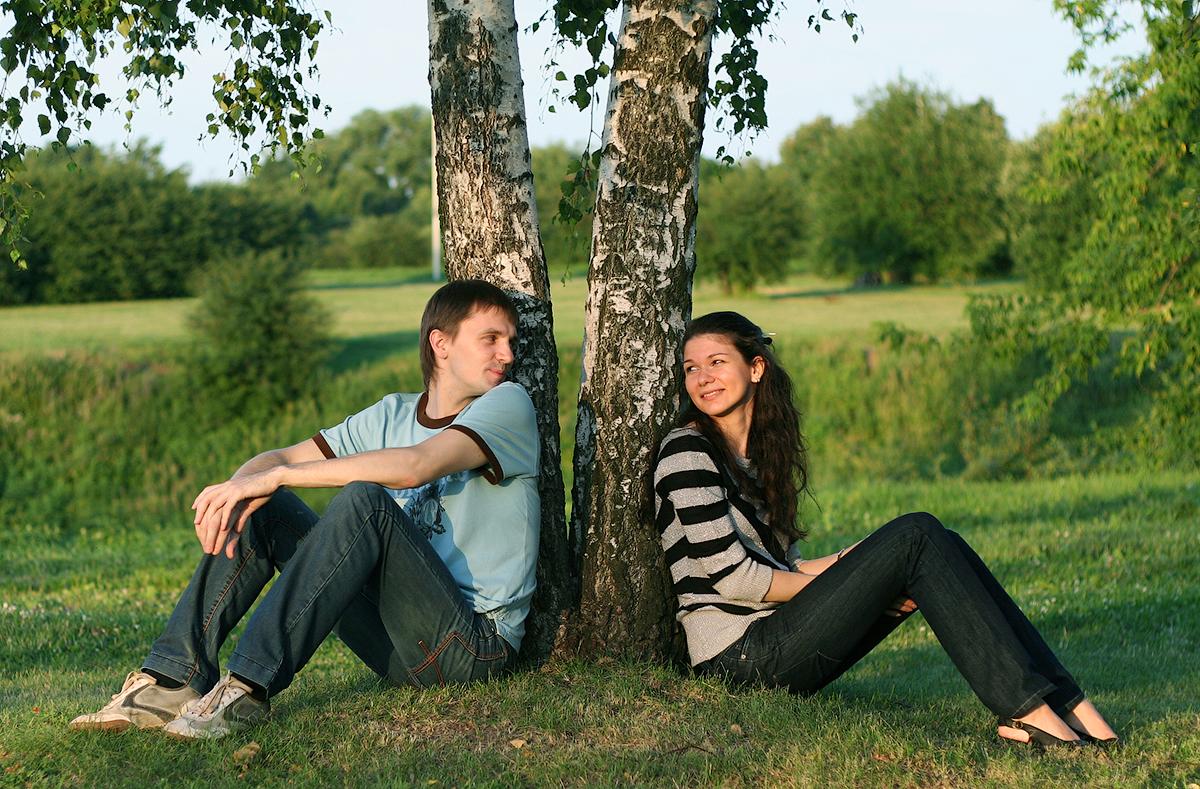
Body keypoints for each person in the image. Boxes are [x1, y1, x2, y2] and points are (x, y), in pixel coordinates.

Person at [70, 280, 540, 740]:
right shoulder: (393, 414)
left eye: (510, 341)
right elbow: (280, 459)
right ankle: (172, 682)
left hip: (471, 648)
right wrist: (240, 488)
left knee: (365, 501)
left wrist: (274, 477)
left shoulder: (508, 405)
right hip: (396, 645)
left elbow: (416, 466)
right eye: (491, 339)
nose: (508, 355)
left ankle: (246, 691)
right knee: (266, 505)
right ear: (441, 343)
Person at [653, 310, 1119, 748]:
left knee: (939, 544)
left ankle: (1070, 705)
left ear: (756, 368)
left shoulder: (758, 456)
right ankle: (1030, 713)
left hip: (775, 636)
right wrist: (858, 584)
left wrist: (862, 569)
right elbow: (737, 580)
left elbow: (784, 566)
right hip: (738, 658)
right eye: (691, 368)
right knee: (916, 536)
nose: (703, 378)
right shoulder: (687, 454)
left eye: (716, 362)